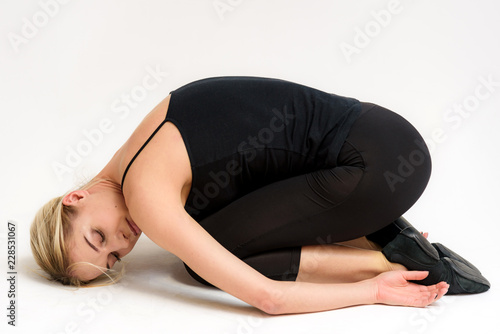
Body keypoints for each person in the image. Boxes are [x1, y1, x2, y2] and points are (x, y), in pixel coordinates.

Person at [30, 76, 489, 315]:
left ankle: (393, 259)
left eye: (97, 237)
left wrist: (371, 291)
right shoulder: (144, 137)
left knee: (200, 265)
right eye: (112, 259)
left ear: (75, 197)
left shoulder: (146, 195)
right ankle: (381, 235)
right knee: (212, 231)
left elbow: (268, 298)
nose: (123, 243)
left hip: (374, 168)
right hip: (386, 144)